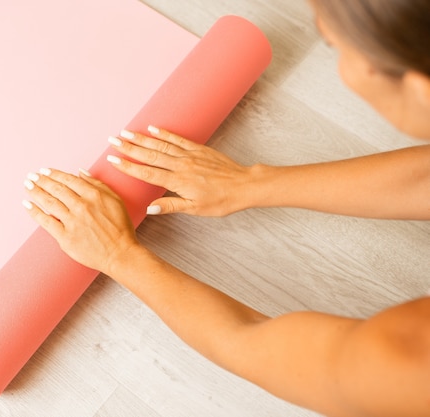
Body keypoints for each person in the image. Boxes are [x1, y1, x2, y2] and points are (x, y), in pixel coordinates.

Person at [22, 1, 430, 416]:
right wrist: (251, 183)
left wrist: (118, 254)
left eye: (336, 47)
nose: (340, 65)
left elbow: (252, 342)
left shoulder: (413, 361)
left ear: (420, 88)